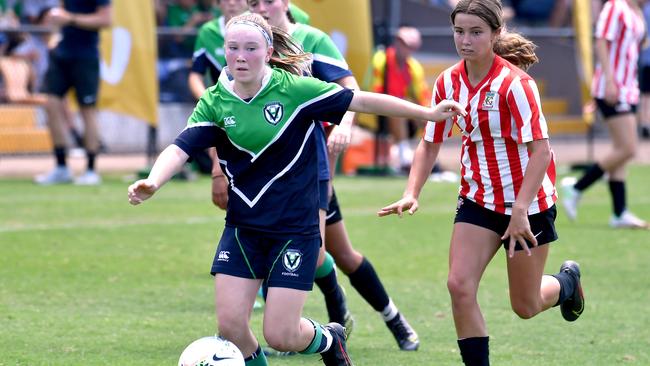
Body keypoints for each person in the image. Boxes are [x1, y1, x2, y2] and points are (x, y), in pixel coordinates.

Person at [128, 13, 463, 366]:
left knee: (282, 334)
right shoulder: (215, 100)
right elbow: (181, 147)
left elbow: (360, 100)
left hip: (294, 229)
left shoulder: (295, 91)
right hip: (243, 228)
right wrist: (154, 180)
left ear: (269, 51)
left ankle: (329, 339)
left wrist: (427, 114)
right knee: (231, 327)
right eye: (233, 48)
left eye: (251, 48)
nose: (240, 56)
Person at [378, 1, 585, 364]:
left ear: (495, 34)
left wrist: (520, 210)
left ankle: (566, 283)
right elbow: (430, 142)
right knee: (459, 286)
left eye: (476, 32)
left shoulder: (516, 84)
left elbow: (541, 151)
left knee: (526, 305)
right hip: (477, 200)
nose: (466, 40)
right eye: (460, 31)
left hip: (528, 205)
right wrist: (412, 192)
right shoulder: (447, 82)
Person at [248, 0, 420, 351]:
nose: (262, 7)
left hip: (310, 163)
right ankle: (355, 317)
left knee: (317, 253)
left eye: (268, 1)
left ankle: (387, 318)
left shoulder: (310, 39)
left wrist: (344, 124)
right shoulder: (247, 44)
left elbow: (350, 89)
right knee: (338, 254)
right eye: (254, 2)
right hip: (269, 170)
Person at [562, 0, 648, 229]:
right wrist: (610, 79)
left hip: (629, 87)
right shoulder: (616, 6)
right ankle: (577, 187)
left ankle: (619, 213)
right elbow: (601, 40)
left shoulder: (637, 11)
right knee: (628, 148)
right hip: (612, 87)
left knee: (621, 151)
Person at [34, 0, 112, 185]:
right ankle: (61, 167)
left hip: (85, 57)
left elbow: (106, 20)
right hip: (62, 54)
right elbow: (60, 12)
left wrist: (71, 19)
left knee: (88, 110)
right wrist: (54, 35)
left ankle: (91, 170)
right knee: (51, 104)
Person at [365, 26, 432, 173]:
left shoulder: (414, 67)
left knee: (428, 115)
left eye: (409, 45)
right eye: (401, 43)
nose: (404, 48)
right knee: (398, 105)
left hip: (405, 115)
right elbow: (374, 89)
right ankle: (404, 157)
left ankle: (429, 157)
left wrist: (429, 115)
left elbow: (421, 95)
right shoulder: (380, 59)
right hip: (376, 109)